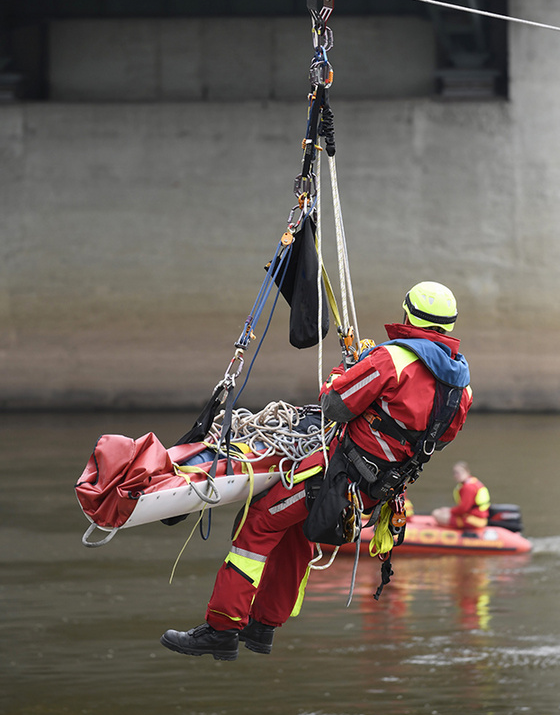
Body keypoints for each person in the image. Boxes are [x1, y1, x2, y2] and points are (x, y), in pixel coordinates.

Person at [161, 280, 473, 659]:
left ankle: (221, 629)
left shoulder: (390, 360)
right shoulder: (461, 388)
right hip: (374, 492)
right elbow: (437, 440)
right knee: (294, 534)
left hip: (335, 477)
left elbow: (333, 405)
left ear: (407, 312)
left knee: (258, 522)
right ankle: (262, 628)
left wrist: (347, 370)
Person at [433, 461, 490, 532]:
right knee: (440, 512)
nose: (457, 475)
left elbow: (463, 509)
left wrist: (449, 510)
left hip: (474, 519)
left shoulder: (468, 487)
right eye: (455, 473)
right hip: (476, 517)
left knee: (436, 514)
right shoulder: (473, 482)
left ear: (467, 472)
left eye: (460, 472)